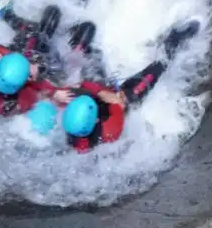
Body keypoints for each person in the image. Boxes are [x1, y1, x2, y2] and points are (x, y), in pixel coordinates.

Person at [58, 19, 201, 153]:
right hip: (120, 101)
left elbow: (78, 87)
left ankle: (79, 44)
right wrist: (108, 96)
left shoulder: (73, 125)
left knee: (93, 58)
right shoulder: (109, 131)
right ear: (95, 120)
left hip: (101, 96)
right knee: (157, 68)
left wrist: (98, 92)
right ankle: (176, 40)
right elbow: (118, 101)